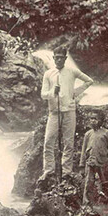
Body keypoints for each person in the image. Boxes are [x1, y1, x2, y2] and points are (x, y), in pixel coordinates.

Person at [39, 46, 94, 183]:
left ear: (65, 58)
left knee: (68, 142)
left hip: (69, 111)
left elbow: (89, 81)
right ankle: (49, 171)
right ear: (53, 58)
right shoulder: (48, 74)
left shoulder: (72, 71)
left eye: (61, 57)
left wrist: (75, 92)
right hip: (54, 112)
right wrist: (52, 92)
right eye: (56, 57)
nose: (58, 60)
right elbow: (43, 94)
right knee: (48, 141)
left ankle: (66, 172)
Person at [79, 111, 108, 207]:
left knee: (104, 183)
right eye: (91, 118)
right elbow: (83, 150)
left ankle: (104, 204)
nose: (93, 121)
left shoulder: (107, 133)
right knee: (88, 183)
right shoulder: (88, 134)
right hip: (90, 162)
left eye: (95, 119)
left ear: (101, 120)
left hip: (103, 162)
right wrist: (81, 164)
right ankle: (86, 205)